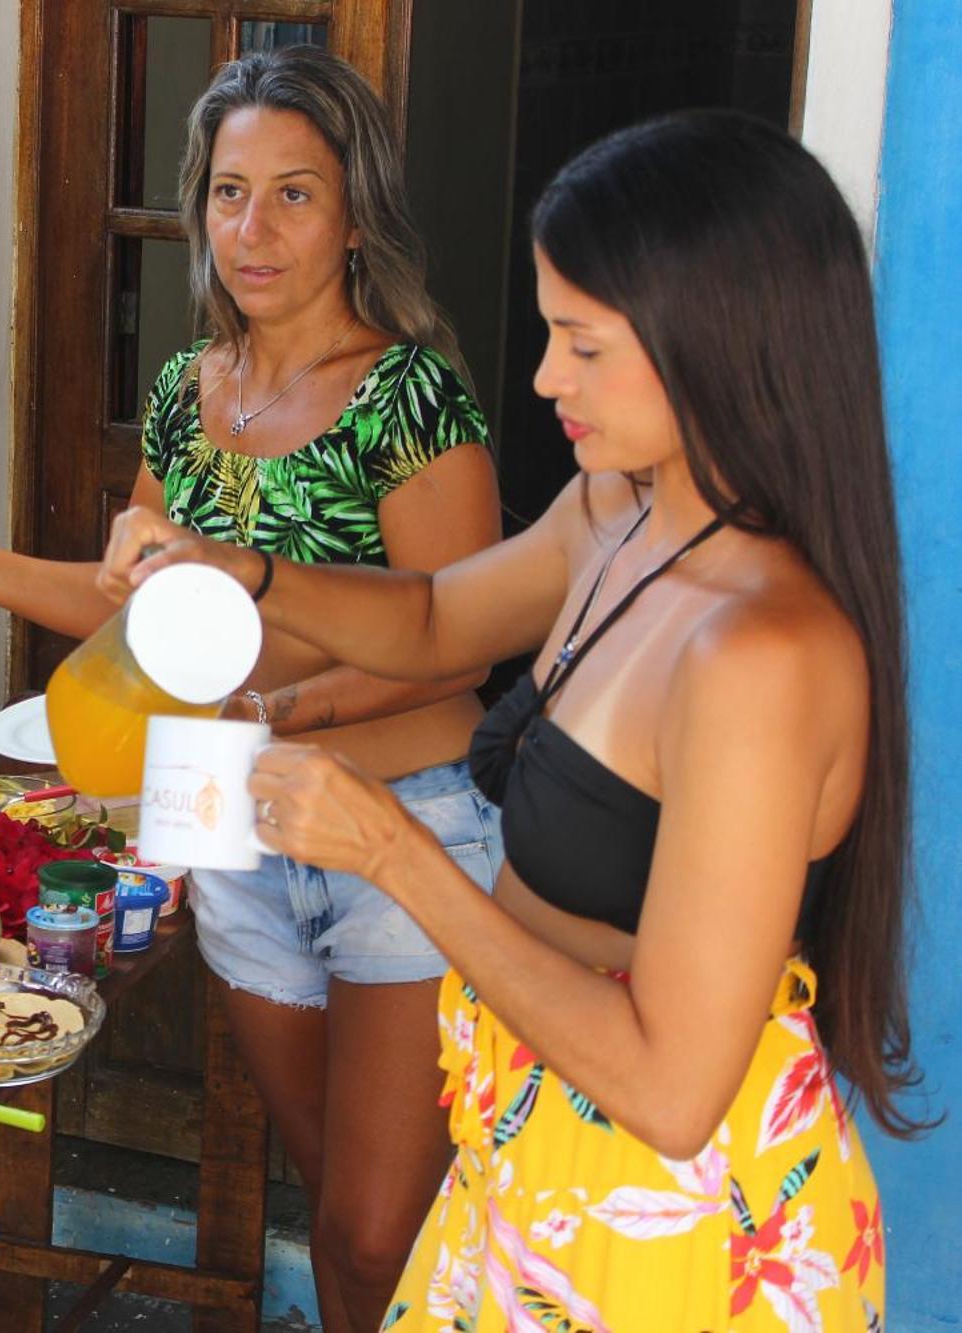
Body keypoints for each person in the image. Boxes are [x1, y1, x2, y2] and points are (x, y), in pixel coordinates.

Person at [100, 109, 921, 1329]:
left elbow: (666, 1085)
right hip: (528, 1137)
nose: (543, 380)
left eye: (581, 346)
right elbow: (434, 617)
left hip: (673, 1215)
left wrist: (388, 849)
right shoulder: (618, 516)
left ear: (714, 342)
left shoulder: (762, 656)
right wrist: (231, 564)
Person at [0, 47, 502, 1328]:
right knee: (329, 1199)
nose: (249, 229)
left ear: (354, 213)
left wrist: (272, 713)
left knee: (384, 1224)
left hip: (402, 833)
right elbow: (139, 611)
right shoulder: (183, 393)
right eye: (226, 192)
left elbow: (461, 645)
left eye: (292, 195)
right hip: (241, 843)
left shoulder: (408, 397)